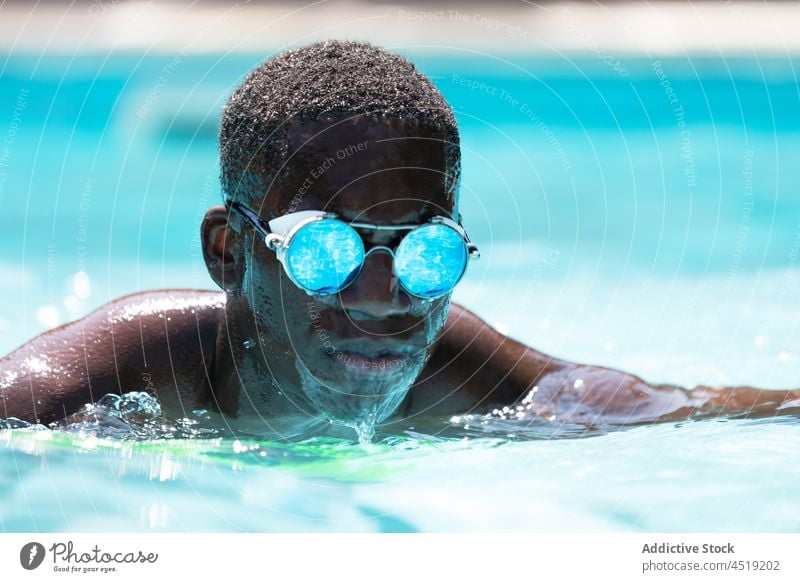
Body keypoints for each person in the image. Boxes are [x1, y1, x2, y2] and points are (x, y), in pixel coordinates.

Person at [1, 40, 797, 438]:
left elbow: (677, 410)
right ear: (230, 256)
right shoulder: (100, 387)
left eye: (426, 254)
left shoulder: (458, 372)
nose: (384, 301)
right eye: (323, 251)